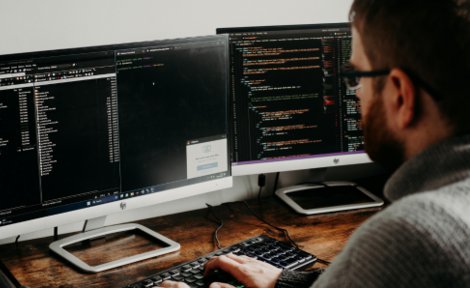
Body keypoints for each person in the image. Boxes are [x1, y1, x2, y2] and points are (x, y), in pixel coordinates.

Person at [157, 0, 470, 287]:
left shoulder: (412, 234)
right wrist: (286, 281)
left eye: (358, 76)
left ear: (401, 94)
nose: (355, 93)